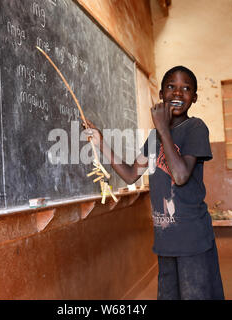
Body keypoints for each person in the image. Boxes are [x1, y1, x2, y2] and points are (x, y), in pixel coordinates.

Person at [83, 65, 224, 300]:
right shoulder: (154, 139)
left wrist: (162, 129)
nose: (178, 94)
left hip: (193, 240)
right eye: (171, 87)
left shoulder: (195, 128)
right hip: (166, 239)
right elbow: (130, 174)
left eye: (186, 89)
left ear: (195, 98)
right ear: (161, 94)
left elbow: (180, 176)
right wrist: (101, 142)